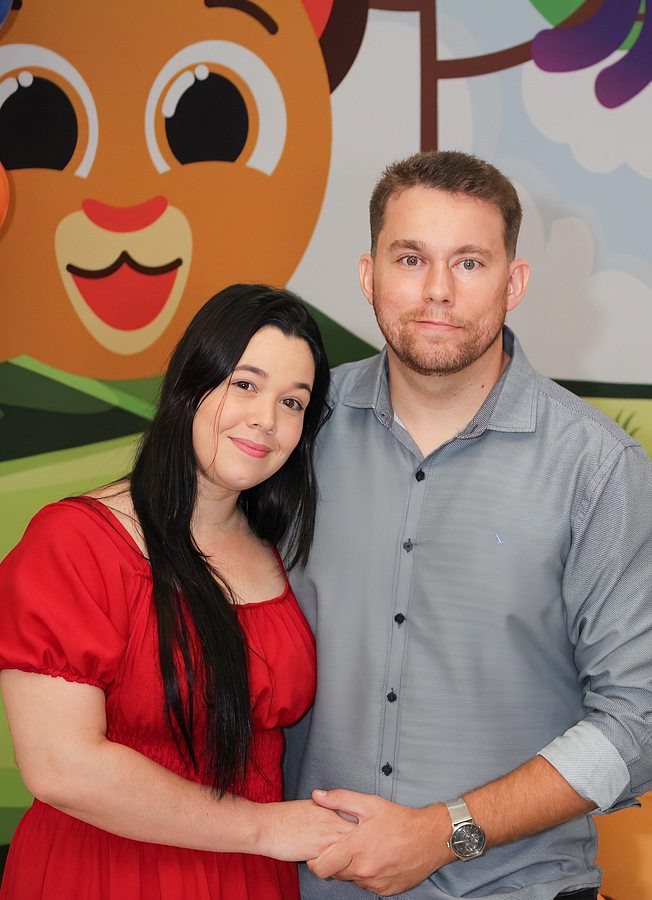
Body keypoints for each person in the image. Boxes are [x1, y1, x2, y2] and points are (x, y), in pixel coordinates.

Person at [284, 151, 652, 899]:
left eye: (470, 263)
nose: (438, 290)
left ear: (514, 283)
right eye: (410, 258)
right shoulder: (293, 430)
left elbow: (638, 720)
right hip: (307, 887)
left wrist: (442, 832)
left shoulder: (597, 467)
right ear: (369, 276)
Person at [0, 283, 355, 899]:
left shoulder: (282, 553)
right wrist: (263, 828)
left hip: (250, 878)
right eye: (245, 384)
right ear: (191, 383)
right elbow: (61, 768)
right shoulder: (76, 541)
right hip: (107, 875)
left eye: (292, 402)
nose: (266, 420)